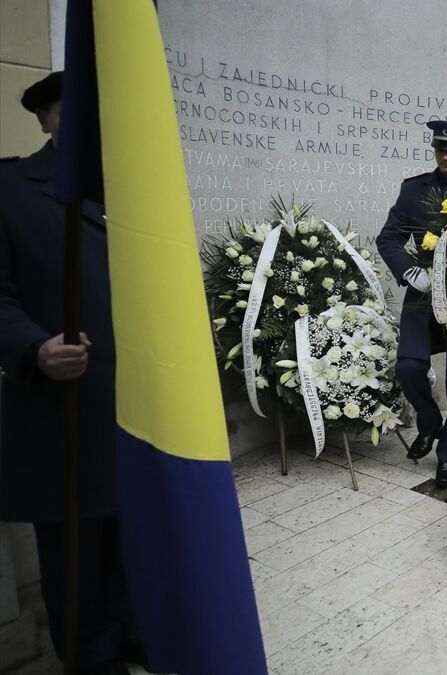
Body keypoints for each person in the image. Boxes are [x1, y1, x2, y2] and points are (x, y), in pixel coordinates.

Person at [0, 71, 141, 673]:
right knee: (76, 552)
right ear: (44, 119)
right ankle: (92, 658)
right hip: (63, 407)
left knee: (133, 542)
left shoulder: (136, 191)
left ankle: (137, 636)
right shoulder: (10, 187)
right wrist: (33, 347)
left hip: (137, 407)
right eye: (70, 111)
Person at [377, 121, 447, 488]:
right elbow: (388, 238)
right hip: (422, 293)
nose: (446, 156)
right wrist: (409, 273)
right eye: (440, 149)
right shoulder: (414, 190)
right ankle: (430, 421)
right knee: (407, 367)